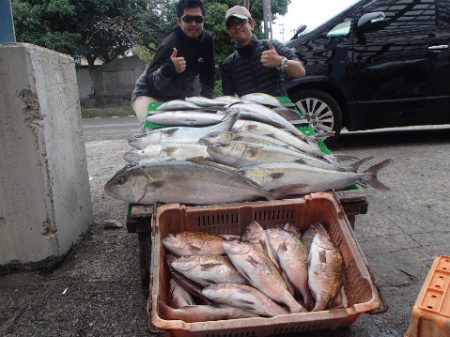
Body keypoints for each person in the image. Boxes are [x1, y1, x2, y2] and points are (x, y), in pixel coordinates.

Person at [131, 0, 215, 124]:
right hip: (148, 94)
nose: (193, 23)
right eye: (188, 19)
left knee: (195, 128)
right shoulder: (169, 45)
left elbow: (208, 78)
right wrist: (169, 68)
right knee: (155, 130)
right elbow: (151, 83)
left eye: (198, 19)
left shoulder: (206, 41)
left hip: (179, 97)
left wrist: (206, 105)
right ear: (179, 20)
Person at [221, 6, 305, 97]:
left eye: (241, 22)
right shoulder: (229, 64)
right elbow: (228, 98)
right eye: (232, 24)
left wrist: (280, 61)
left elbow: (300, 72)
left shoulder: (271, 45)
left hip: (279, 105)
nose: (237, 26)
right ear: (229, 32)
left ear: (251, 25)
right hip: (250, 109)